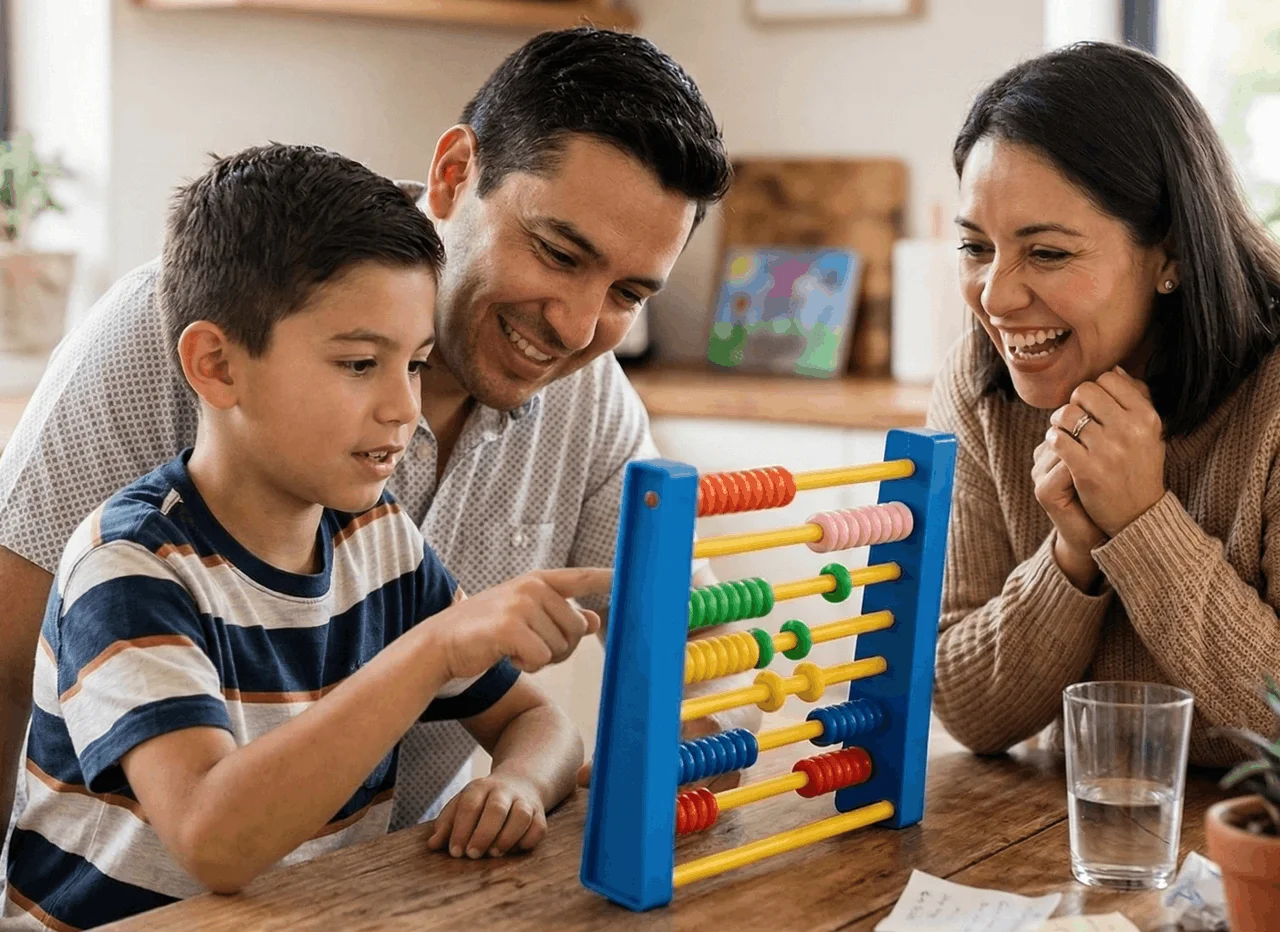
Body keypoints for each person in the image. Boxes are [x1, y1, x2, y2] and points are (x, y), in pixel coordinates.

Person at [0, 26, 744, 842]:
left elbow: (696, 630)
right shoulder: (185, 332)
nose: (576, 329)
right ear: (456, 175)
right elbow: (6, 670)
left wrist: (686, 753)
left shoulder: (590, 400)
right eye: (559, 253)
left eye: (629, 293)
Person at [2, 144, 611, 930]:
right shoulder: (128, 569)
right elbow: (211, 839)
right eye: (360, 363)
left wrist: (519, 783)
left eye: (417, 365)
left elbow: (542, 723)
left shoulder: (382, 547)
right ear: (217, 365)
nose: (404, 408)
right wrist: (431, 654)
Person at [929, 41, 1280, 766]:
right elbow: (966, 709)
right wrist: (1073, 553)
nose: (995, 297)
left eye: (1047, 253)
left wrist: (1143, 522)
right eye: (975, 247)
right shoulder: (981, 382)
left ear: (1173, 254)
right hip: (1070, 839)